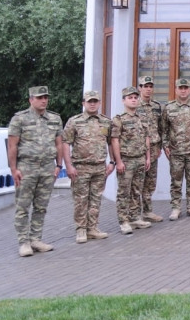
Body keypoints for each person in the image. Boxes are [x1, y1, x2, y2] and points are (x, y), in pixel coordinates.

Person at [8, 85, 68, 257]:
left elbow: (59, 143)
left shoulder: (55, 118)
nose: (44, 100)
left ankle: (36, 239)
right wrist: (14, 169)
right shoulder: (19, 119)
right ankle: (23, 242)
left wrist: (58, 165)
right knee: (23, 206)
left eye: (46, 97)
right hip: (27, 167)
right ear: (31, 100)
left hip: (47, 167)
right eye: (40, 98)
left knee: (41, 206)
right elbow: (12, 145)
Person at [63, 90, 114, 243]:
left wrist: (112, 161)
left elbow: (111, 142)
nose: (92, 104)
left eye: (95, 101)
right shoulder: (74, 121)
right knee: (81, 199)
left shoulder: (106, 121)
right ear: (83, 103)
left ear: (99, 103)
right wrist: (68, 166)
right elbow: (66, 143)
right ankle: (81, 229)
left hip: (100, 167)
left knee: (96, 199)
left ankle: (92, 228)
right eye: (89, 101)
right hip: (81, 167)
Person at [162, 78, 190, 220]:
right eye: (180, 88)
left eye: (185, 88)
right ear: (176, 90)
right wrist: (165, 145)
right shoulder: (168, 108)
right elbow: (164, 129)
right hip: (175, 151)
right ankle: (176, 208)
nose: (183, 91)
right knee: (176, 181)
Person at [111, 86, 152, 234]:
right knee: (124, 192)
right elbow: (114, 140)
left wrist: (148, 157)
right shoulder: (119, 119)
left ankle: (134, 218)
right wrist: (118, 161)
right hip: (126, 160)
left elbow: (146, 138)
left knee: (136, 190)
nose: (134, 100)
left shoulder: (141, 118)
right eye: (130, 98)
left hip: (140, 159)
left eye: (135, 97)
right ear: (124, 100)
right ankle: (123, 221)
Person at [135, 76, 165, 223]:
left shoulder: (157, 106)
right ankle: (135, 214)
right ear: (139, 88)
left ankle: (147, 211)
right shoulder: (134, 104)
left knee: (150, 182)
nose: (148, 89)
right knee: (137, 182)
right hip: (138, 149)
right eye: (145, 86)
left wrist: (160, 146)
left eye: (150, 86)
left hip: (153, 148)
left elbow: (161, 128)